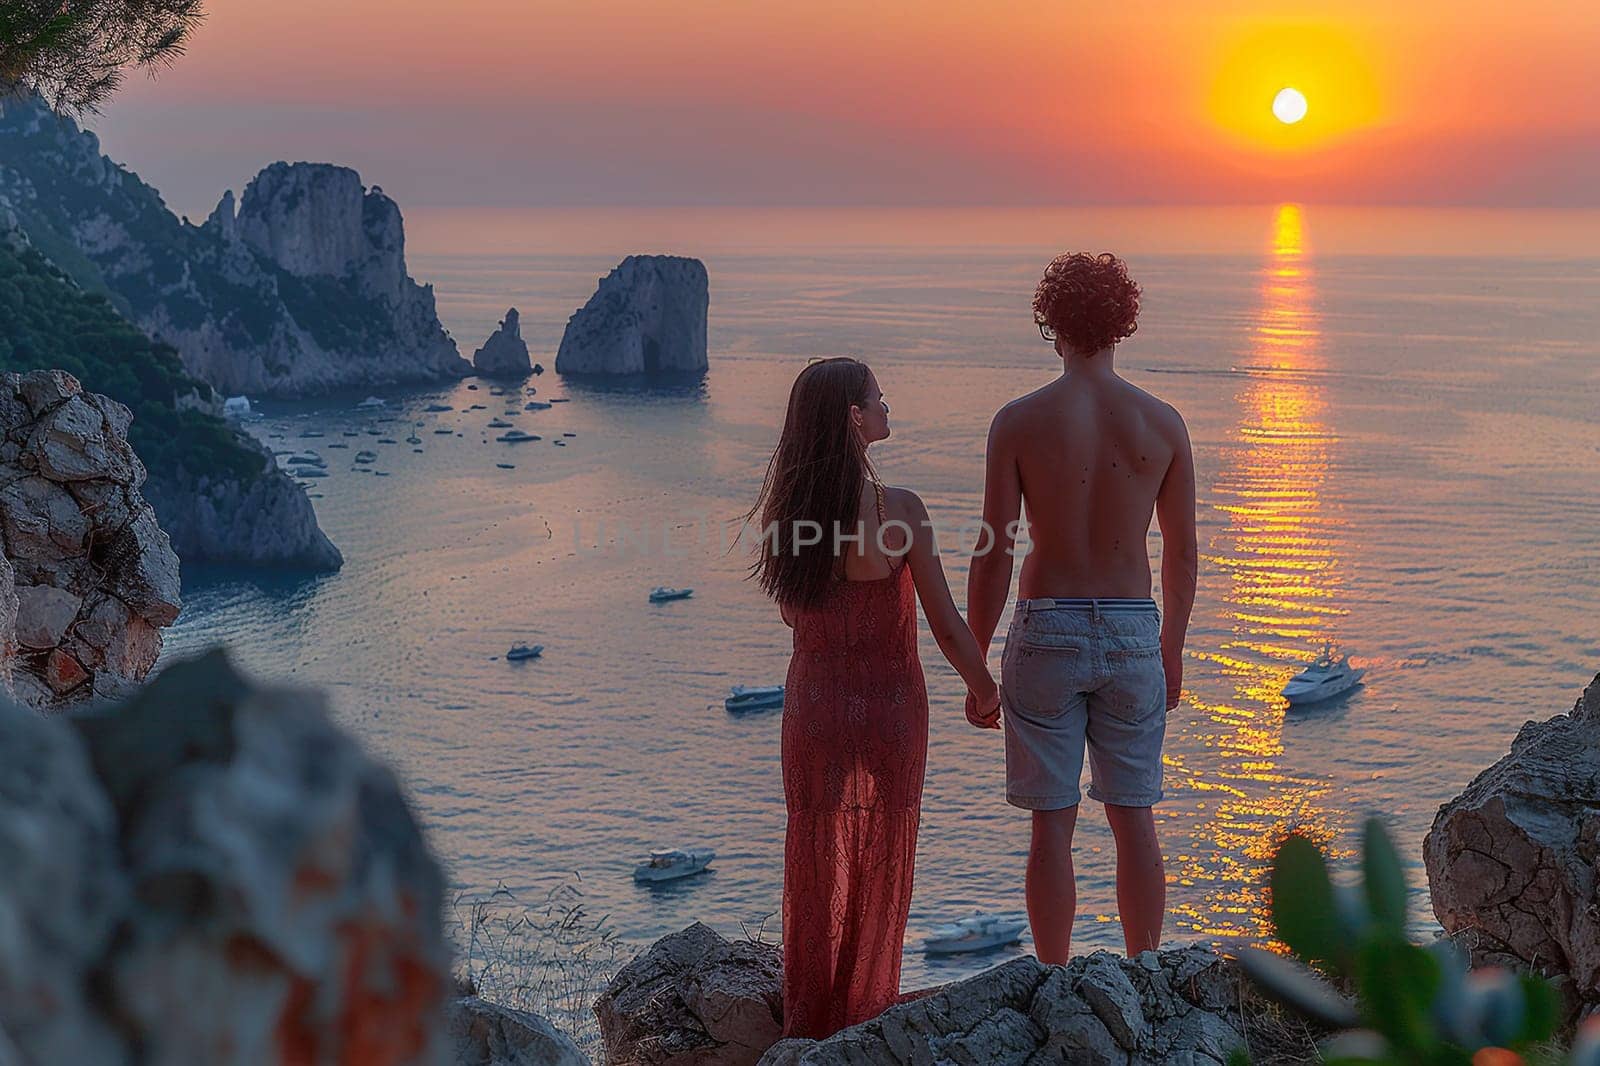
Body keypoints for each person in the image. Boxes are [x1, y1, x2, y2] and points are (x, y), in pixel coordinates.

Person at [749, 356, 1000, 1039]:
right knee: (883, 846)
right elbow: (947, 626)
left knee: (814, 848)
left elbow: (793, 617)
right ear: (854, 418)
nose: (889, 406)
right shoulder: (902, 511)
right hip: (892, 707)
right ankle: (864, 1008)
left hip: (815, 705)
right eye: (878, 398)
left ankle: (811, 1018)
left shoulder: (790, 515)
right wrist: (986, 693)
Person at [964, 252, 1198, 964]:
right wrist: (1173, 649)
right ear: (1122, 323)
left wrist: (976, 660)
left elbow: (995, 551)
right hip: (1133, 627)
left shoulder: (1018, 421)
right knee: (1137, 821)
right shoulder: (1163, 424)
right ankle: (1147, 973)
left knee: (1051, 829)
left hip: (1047, 628)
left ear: (1051, 324)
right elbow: (1183, 552)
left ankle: (1056, 979)